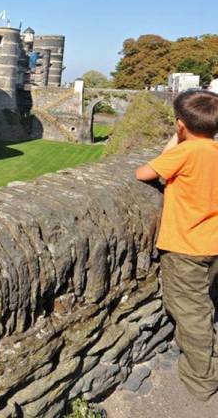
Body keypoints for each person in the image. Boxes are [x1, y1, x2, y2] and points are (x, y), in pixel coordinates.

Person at [135, 89, 218, 401]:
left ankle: (202, 379)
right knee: (203, 302)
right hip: (213, 243)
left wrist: (176, 137)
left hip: (186, 247)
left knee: (190, 311)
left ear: (181, 125)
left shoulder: (185, 153)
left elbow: (143, 173)